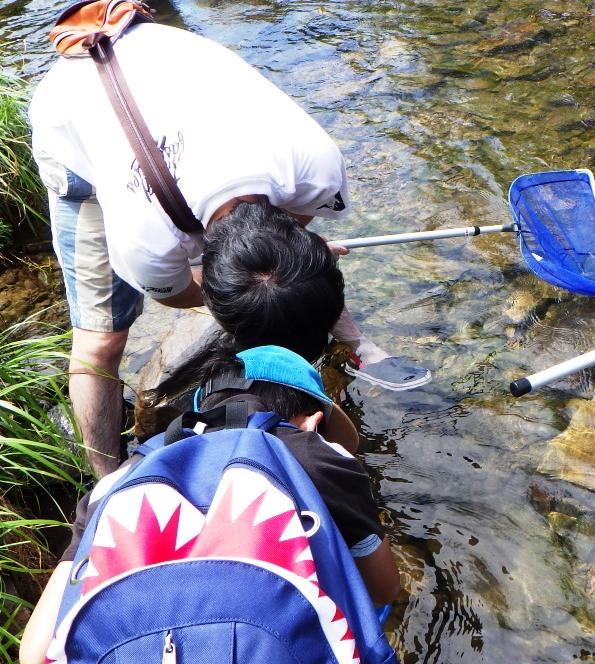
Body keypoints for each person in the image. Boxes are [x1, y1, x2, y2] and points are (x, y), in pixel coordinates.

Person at [29, 17, 427, 478]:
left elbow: (287, 259)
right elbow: (178, 292)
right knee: (100, 342)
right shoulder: (144, 244)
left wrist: (291, 265)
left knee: (287, 275)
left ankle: (358, 343)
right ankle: (106, 481)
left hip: (169, 65)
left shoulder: (313, 167)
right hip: (77, 111)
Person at [18, 344, 400, 664]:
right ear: (311, 422)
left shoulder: (118, 480)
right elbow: (385, 588)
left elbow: (35, 657)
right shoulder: (316, 455)